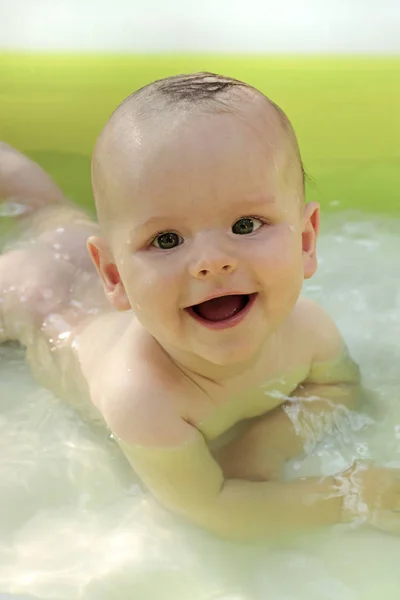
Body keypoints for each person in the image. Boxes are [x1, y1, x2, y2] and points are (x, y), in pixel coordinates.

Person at [1, 73, 400, 541]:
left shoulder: (309, 329)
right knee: (43, 213)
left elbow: (338, 385)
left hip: (72, 270)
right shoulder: (142, 397)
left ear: (307, 240)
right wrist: (350, 494)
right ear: (115, 275)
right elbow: (210, 509)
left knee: (47, 210)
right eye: (166, 239)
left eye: (247, 224)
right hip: (35, 299)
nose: (212, 261)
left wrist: (262, 449)